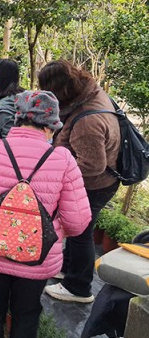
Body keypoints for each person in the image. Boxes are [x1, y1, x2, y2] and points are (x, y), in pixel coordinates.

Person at [0, 90, 91, 338]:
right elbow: (77, 222)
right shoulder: (63, 159)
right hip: (37, 256)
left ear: (18, 118)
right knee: (27, 315)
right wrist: (53, 227)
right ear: (51, 126)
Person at [38, 60, 121, 304]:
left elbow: (93, 165)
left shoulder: (87, 121)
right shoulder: (88, 93)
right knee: (75, 230)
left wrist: (60, 174)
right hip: (100, 181)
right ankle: (66, 267)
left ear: (59, 91)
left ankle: (78, 287)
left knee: (81, 232)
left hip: (95, 185)